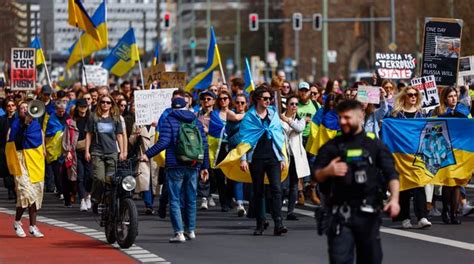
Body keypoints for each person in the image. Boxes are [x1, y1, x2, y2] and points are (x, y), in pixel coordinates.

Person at [314, 99, 400, 264]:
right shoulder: (332, 146)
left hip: (368, 214)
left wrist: (394, 199)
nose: (342, 122)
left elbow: (391, 173)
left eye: (347, 117)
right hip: (340, 216)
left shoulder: (373, 143)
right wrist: (328, 171)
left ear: (360, 116)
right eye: (340, 118)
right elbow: (316, 175)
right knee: (340, 260)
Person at [141, 97, 210, 243]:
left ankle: (179, 233)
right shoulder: (195, 120)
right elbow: (204, 144)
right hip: (193, 164)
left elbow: (163, 142)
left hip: (174, 165)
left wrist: (147, 154)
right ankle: (190, 230)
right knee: (191, 198)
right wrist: (205, 166)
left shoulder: (169, 120)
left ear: (172, 107)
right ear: (186, 106)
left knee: (175, 199)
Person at [239, 85, 288, 236]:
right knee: (258, 191)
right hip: (257, 158)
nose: (268, 101)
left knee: (276, 189)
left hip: (273, 157)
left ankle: (278, 222)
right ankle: (260, 222)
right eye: (265, 98)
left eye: (270, 99)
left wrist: (282, 157)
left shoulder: (273, 114)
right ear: (257, 100)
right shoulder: (249, 116)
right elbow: (245, 139)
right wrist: (243, 159)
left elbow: (279, 136)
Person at [390, 86, 431, 229]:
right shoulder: (396, 115)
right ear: (404, 97)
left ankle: (422, 217)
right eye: (410, 95)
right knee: (405, 187)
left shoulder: (421, 115)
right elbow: (388, 129)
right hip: (402, 156)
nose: (413, 97)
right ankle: (405, 217)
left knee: (419, 184)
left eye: (415, 94)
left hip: (418, 155)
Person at [6, 101, 46, 238]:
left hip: (34, 161)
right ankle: (17, 222)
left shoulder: (36, 124)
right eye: (22, 108)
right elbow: (16, 139)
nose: (25, 110)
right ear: (19, 111)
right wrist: (25, 125)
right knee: (25, 193)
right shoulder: (16, 124)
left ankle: (33, 226)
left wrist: (44, 150)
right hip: (20, 161)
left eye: (26, 108)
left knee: (35, 194)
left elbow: (40, 138)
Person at [432, 86, 471, 224]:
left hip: (461, 150)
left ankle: (454, 214)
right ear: (445, 98)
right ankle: (446, 211)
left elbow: (468, 123)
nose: (453, 98)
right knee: (448, 183)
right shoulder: (439, 110)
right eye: (450, 96)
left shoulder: (463, 109)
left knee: (458, 183)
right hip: (446, 149)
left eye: (455, 96)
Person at [84, 94, 126, 204]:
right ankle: (96, 197)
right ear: (99, 103)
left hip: (112, 152)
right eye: (103, 102)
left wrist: (122, 151)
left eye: (108, 102)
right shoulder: (93, 117)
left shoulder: (115, 118)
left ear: (112, 104)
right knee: (99, 178)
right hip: (97, 152)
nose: (105, 104)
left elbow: (119, 135)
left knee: (111, 180)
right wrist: (87, 151)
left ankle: (109, 201)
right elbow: (89, 134)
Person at [280, 95, 310, 220]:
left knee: (293, 184)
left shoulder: (300, 119)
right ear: (286, 105)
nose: (294, 106)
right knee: (281, 185)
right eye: (291, 104)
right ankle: (275, 208)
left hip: (295, 157)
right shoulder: (278, 119)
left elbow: (299, 128)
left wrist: (287, 120)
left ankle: (290, 212)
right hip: (282, 156)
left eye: (296, 104)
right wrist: (284, 120)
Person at [129, 113, 160, 215]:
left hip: (156, 156)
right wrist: (136, 135)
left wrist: (158, 126)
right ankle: (148, 205)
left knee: (154, 181)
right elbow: (131, 141)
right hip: (142, 156)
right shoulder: (137, 123)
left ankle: (151, 202)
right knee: (145, 181)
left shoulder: (158, 122)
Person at [226, 94, 248, 217]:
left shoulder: (251, 115)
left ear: (246, 104)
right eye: (238, 102)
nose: (240, 105)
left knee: (249, 178)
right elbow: (236, 118)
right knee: (238, 178)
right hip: (235, 150)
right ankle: (240, 204)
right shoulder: (230, 113)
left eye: (242, 103)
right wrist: (251, 114)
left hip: (249, 149)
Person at [71, 99, 92, 212]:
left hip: (89, 151)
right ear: (77, 107)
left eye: (85, 106)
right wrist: (68, 152)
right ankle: (83, 200)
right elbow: (68, 137)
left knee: (90, 176)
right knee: (80, 177)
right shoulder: (73, 121)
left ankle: (88, 195)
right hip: (77, 151)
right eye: (81, 106)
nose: (83, 108)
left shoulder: (91, 119)